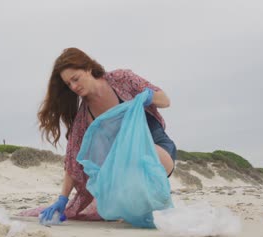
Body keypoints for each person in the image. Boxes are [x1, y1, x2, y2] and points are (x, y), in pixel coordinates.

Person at [32, 47, 177, 222]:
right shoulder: (84, 117)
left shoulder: (122, 79)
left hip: (157, 150)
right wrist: (62, 199)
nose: (74, 87)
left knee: (136, 157)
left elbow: (165, 100)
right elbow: (72, 159)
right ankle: (140, 206)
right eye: (68, 84)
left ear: (87, 68)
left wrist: (147, 97)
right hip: (124, 171)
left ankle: (153, 202)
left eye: (75, 79)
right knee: (113, 180)